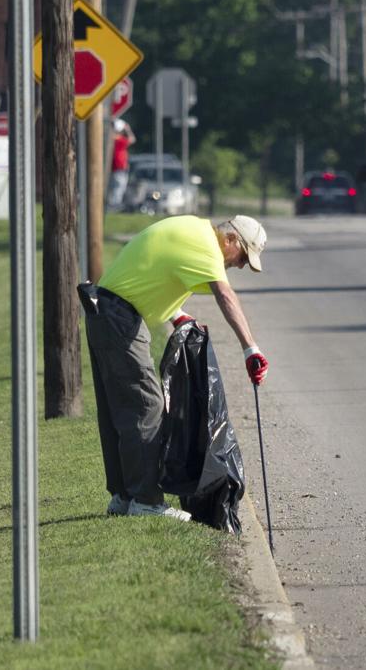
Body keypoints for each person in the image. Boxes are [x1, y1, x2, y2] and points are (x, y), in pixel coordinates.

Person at [83, 214, 269, 520]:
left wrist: (177, 315)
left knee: (118, 410)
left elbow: (156, 273)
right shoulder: (206, 244)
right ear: (232, 239)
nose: (240, 266)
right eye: (244, 257)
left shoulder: (193, 231)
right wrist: (250, 347)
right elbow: (226, 295)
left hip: (105, 310)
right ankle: (145, 501)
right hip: (119, 318)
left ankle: (123, 496)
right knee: (148, 406)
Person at [108, 119, 136, 209]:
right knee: (119, 187)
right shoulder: (119, 140)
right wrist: (127, 129)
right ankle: (114, 206)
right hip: (119, 167)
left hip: (117, 168)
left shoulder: (113, 139)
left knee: (116, 187)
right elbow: (132, 139)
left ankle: (113, 204)